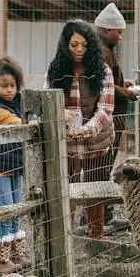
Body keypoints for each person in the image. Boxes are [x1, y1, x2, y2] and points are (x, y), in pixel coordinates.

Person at [46, 19, 116, 239]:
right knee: (66, 189)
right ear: (65, 44)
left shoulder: (102, 70)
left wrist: (87, 129)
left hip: (96, 142)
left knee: (95, 191)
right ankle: (65, 240)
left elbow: (106, 109)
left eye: (84, 45)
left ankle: (96, 238)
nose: (79, 50)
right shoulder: (55, 70)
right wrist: (61, 115)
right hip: (66, 143)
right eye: (74, 44)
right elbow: (47, 101)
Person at [0, 56, 32, 274]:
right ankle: (0, 260)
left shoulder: (18, 102)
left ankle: (14, 254)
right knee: (6, 211)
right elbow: (21, 124)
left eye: (13, 86)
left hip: (15, 165)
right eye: (4, 86)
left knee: (16, 209)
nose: (9, 90)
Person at [94, 2, 139, 225]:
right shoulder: (102, 52)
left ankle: (100, 216)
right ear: (106, 30)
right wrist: (128, 93)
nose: (120, 37)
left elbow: (111, 82)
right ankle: (98, 219)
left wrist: (123, 84)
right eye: (118, 32)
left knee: (103, 166)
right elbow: (105, 87)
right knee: (101, 167)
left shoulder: (105, 50)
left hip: (112, 116)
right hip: (108, 118)